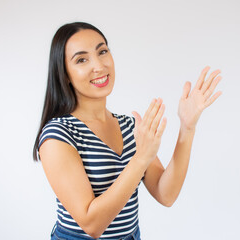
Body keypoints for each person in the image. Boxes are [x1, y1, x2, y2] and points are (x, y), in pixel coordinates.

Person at [33, 22, 222, 240]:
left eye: (102, 51)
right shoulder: (58, 134)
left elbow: (166, 194)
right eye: (82, 59)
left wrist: (187, 128)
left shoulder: (129, 126)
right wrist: (140, 158)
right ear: (64, 73)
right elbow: (91, 224)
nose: (99, 65)